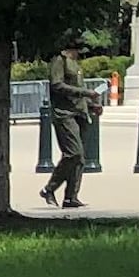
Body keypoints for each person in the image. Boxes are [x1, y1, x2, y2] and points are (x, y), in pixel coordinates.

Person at [39, 53, 97, 210]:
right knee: (73, 153)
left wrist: (91, 105)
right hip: (64, 114)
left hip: (79, 113)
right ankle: (49, 189)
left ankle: (71, 197)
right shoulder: (59, 59)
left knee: (80, 159)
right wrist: (84, 92)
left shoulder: (75, 62)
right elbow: (57, 85)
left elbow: (77, 92)